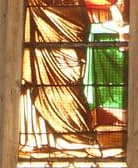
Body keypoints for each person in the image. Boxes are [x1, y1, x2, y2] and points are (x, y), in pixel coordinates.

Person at [19, 0, 97, 152]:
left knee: (69, 87)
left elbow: (80, 21)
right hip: (44, 24)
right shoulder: (36, 5)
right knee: (42, 82)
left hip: (70, 23)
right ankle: (44, 137)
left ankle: (78, 136)